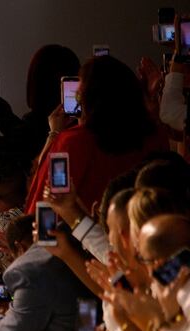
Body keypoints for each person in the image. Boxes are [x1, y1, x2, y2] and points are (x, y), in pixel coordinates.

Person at [23, 55, 168, 215]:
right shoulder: (155, 133)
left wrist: (55, 135)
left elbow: (45, 205)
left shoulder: (72, 141)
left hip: (82, 234)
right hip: (144, 225)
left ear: (86, 99)